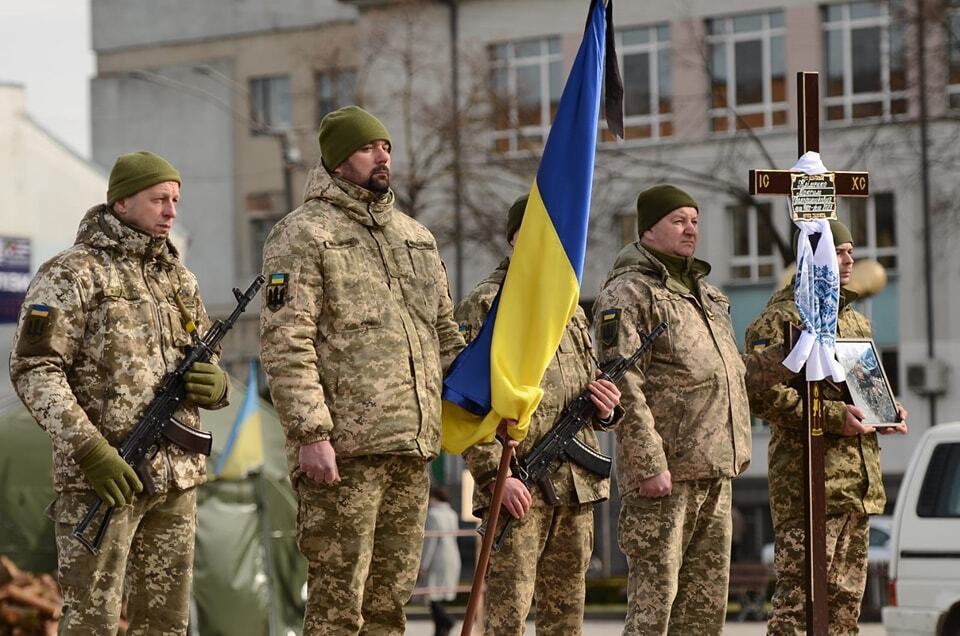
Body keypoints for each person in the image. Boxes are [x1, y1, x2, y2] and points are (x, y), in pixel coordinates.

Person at [259, 105, 465, 635]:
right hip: (344, 452)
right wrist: (311, 434)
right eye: (369, 147)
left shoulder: (416, 237)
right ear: (336, 161)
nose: (383, 157)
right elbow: (287, 341)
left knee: (390, 606)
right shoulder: (302, 234)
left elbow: (445, 337)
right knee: (338, 606)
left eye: (387, 147)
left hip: (411, 447)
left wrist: (484, 408)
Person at [9, 151, 229, 634]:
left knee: (166, 624)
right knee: (93, 622)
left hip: (175, 479)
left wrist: (217, 384)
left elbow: (202, 357)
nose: (171, 210)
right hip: (105, 480)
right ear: (123, 203)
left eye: (176, 199)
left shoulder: (178, 278)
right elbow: (34, 368)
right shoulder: (73, 272)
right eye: (159, 199)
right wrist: (90, 452)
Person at [592, 184, 753, 635]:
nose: (690, 230)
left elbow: (728, 374)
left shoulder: (709, 296)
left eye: (695, 221)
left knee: (704, 611)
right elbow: (621, 379)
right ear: (648, 229)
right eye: (678, 220)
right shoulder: (629, 293)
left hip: (715, 466)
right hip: (665, 477)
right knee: (655, 608)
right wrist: (648, 462)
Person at [457, 196, 622, 636]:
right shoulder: (488, 304)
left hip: (574, 488)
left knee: (565, 620)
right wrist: (496, 476)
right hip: (518, 486)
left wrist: (606, 407)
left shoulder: (565, 305)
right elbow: (465, 401)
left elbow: (583, 385)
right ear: (518, 238)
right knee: (508, 618)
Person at [744, 219, 908, 634]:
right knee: (798, 609)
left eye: (851, 250)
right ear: (811, 258)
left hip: (856, 486)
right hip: (810, 487)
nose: (850, 259)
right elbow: (761, 395)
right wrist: (835, 419)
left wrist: (885, 412)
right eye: (839, 251)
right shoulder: (778, 320)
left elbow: (862, 388)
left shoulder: (853, 320)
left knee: (844, 611)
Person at [420, 486, 461, 636]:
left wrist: (423, 564)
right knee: (441, 595)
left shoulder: (433, 515)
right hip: (453, 556)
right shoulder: (452, 514)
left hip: (437, 558)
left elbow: (430, 542)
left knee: (432, 596)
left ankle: (448, 621)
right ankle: (439, 632)